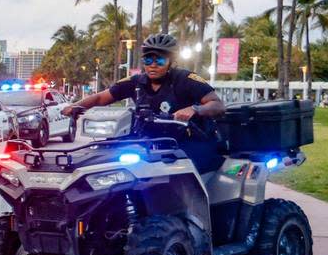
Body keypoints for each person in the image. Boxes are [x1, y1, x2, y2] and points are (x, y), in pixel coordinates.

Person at [63, 33, 226, 173]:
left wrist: (195, 109)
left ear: (171, 62)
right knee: (104, 158)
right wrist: (75, 107)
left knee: (179, 176)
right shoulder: (136, 82)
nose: (153, 65)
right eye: (148, 60)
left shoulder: (186, 79)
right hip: (149, 142)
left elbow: (217, 105)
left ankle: (187, 210)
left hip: (188, 141)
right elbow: (101, 98)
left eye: (160, 61)